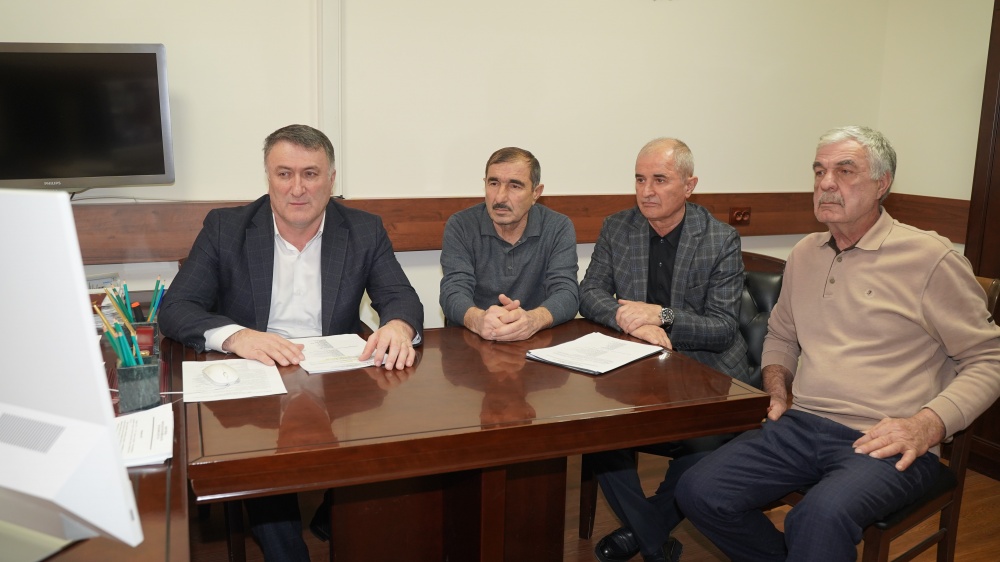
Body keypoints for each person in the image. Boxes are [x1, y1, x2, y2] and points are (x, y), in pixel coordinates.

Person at [675, 125, 1000, 562]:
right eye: (819, 171)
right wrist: (777, 388)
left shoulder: (930, 258)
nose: (826, 183)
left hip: (885, 438)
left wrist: (927, 425)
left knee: (817, 517)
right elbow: (782, 335)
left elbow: (989, 359)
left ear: (882, 183)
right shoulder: (805, 254)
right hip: (802, 424)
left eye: (845, 171)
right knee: (699, 490)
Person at [158, 124, 423, 562]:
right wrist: (237, 336)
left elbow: (401, 297)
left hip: (334, 373)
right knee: (259, 454)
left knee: (396, 433)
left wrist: (397, 325)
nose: (297, 188)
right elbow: (176, 307)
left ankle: (338, 519)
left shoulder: (363, 229)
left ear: (331, 179)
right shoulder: (227, 227)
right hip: (257, 371)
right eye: (284, 174)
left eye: (310, 174)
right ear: (268, 177)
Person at [579, 138, 749, 562]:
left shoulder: (719, 238)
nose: (646, 191)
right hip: (637, 369)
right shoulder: (618, 227)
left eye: (659, 180)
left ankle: (641, 535)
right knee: (599, 436)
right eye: (640, 179)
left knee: (703, 453)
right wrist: (631, 320)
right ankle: (656, 544)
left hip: (706, 372)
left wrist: (662, 316)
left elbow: (722, 328)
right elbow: (590, 292)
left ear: (689, 185)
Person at [439, 146, 579, 341]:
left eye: (515, 186)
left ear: (536, 193)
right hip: (474, 341)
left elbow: (567, 292)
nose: (500, 197)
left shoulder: (557, 227)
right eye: (493, 183)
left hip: (536, 340)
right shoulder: (461, 225)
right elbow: (453, 290)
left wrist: (533, 320)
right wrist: (478, 320)